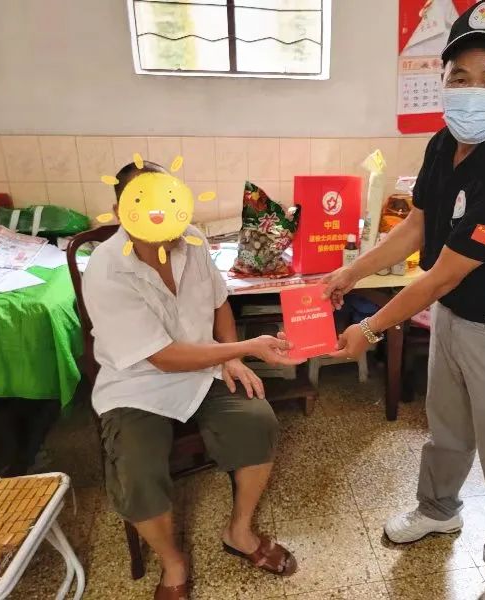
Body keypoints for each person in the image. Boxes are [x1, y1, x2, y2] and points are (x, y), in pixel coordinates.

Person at [323, 2, 485, 598]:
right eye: (461, 75)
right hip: (454, 319)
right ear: (444, 78)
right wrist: (351, 271)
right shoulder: (443, 143)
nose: (474, 90)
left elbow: (440, 276)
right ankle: (438, 511)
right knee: (446, 431)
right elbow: (418, 226)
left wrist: (369, 329)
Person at [83, 161, 301, 600]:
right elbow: (162, 358)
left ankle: (239, 531)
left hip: (204, 366)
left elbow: (219, 302)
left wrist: (231, 355)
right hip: (136, 383)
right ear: (122, 210)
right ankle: (173, 562)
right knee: (136, 465)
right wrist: (245, 349)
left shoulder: (193, 241)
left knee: (257, 420)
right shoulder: (107, 269)